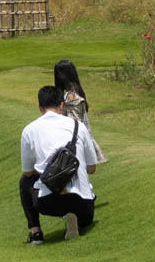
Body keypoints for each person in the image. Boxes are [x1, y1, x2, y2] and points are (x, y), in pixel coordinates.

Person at [19, 84, 102, 244]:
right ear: (62, 105)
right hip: (83, 203)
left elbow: (28, 172)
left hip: (49, 202)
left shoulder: (29, 130)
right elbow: (92, 169)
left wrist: (48, 170)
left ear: (40, 107)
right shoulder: (79, 126)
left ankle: (35, 232)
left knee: (24, 181)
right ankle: (75, 218)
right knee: (84, 214)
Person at [54, 60, 107, 162]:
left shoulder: (70, 96)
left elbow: (73, 122)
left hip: (75, 144)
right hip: (83, 139)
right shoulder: (79, 92)